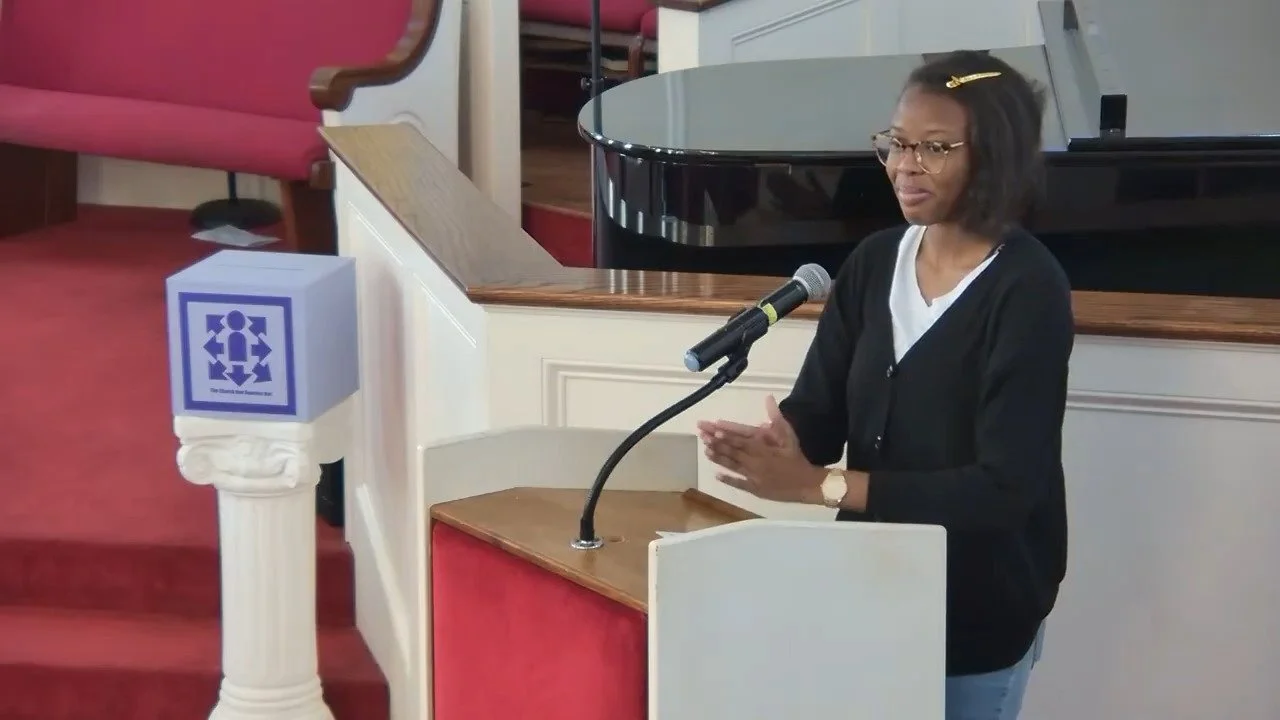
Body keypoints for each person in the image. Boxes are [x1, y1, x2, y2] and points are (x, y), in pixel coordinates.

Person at [697, 50, 1073, 720]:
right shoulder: (873, 263)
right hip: (869, 586)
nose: (905, 165)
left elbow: (1004, 491)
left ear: (996, 157)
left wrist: (823, 486)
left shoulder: (1028, 290)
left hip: (978, 613)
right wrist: (778, 443)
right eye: (896, 143)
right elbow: (821, 408)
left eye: (934, 148)